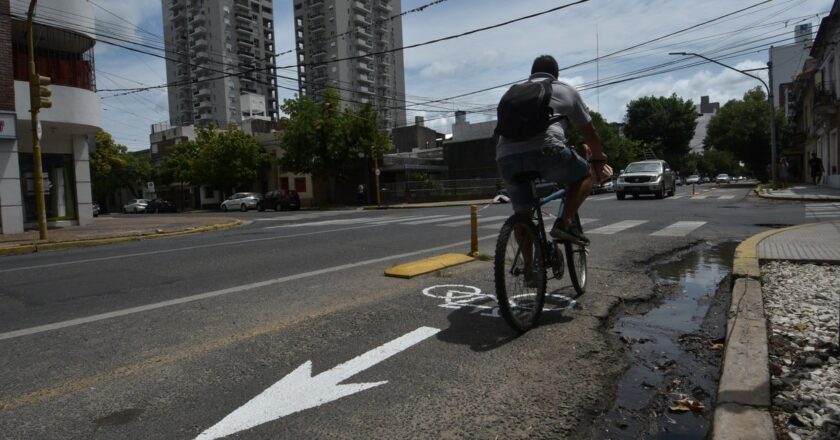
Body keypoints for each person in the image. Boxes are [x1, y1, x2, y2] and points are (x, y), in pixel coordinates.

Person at [496, 55, 612, 245]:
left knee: (522, 215)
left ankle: (529, 270)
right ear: (556, 74)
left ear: (532, 73)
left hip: (506, 157)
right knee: (584, 176)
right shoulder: (564, 90)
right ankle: (564, 223)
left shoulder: (513, 92)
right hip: (547, 151)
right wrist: (599, 156)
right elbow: (590, 133)